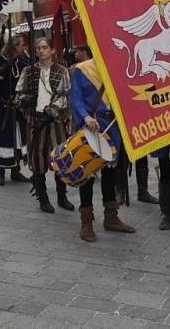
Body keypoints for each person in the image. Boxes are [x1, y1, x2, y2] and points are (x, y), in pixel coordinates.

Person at [69, 58, 135, 242]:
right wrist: (85, 117)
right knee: (87, 174)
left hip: (113, 126)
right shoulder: (82, 69)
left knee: (110, 173)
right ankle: (87, 222)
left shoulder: (119, 67)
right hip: (92, 126)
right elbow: (76, 98)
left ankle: (111, 217)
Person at [15, 37, 74, 213]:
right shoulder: (28, 71)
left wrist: (50, 112)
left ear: (52, 50)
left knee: (60, 158)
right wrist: (27, 100)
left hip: (55, 121)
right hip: (35, 121)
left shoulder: (61, 71)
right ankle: (43, 198)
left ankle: (62, 197)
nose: (41, 51)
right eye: (38, 48)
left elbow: (63, 96)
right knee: (38, 160)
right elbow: (18, 96)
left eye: (45, 47)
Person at [0, 34, 31, 186]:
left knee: (18, 140)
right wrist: (3, 70)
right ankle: (0, 172)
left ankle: (15, 171)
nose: (24, 48)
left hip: (19, 109)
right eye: (21, 45)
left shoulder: (23, 62)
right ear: (14, 46)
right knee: (3, 140)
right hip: (4, 108)